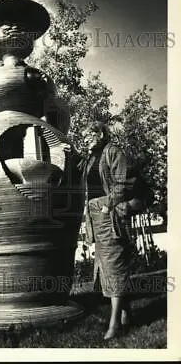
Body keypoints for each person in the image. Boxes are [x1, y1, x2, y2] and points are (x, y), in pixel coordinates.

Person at [76, 121, 133, 340]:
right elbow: (77, 170)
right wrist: (70, 153)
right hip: (95, 218)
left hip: (110, 216)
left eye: (89, 134)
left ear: (100, 134)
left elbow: (122, 183)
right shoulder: (90, 158)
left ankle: (114, 325)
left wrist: (109, 203)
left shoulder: (113, 152)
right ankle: (127, 315)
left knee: (114, 265)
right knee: (107, 267)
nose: (86, 138)